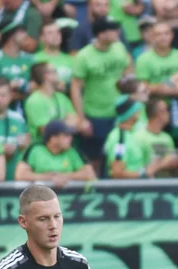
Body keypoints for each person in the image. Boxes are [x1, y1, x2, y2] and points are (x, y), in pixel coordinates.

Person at [72, 18, 133, 173]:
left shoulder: (119, 48)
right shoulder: (84, 56)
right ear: (101, 34)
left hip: (119, 113)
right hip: (96, 114)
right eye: (113, 30)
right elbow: (76, 87)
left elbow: (128, 70)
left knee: (117, 155)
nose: (117, 33)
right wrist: (81, 118)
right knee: (95, 158)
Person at [16, 121, 97, 183]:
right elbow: (20, 175)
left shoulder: (71, 151)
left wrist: (65, 176)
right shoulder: (35, 149)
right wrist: (48, 177)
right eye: (66, 135)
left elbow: (90, 174)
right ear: (53, 138)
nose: (71, 138)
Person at [0, 77, 31, 181]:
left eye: (3, 95)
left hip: (14, 179)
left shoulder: (18, 119)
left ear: (10, 96)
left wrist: (23, 145)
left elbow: (26, 144)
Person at [25, 62, 79, 139]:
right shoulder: (34, 101)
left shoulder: (61, 97)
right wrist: (66, 122)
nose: (58, 74)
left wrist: (58, 126)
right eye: (55, 71)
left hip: (65, 143)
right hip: (41, 145)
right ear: (46, 76)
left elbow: (76, 121)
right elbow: (46, 130)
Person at [0, 25, 36, 102]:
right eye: (21, 32)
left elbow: (38, 87)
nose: (26, 35)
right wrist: (24, 93)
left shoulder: (31, 59)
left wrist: (20, 85)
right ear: (11, 35)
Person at [33, 19, 75, 88]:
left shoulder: (71, 60)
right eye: (50, 33)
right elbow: (31, 86)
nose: (55, 35)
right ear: (42, 38)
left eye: (58, 32)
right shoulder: (34, 59)